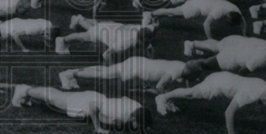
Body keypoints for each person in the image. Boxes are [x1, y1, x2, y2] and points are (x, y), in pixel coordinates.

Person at [155, 72, 266, 134]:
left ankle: (167, 100)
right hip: (218, 84)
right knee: (191, 94)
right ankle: (162, 97)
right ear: (264, 99)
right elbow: (229, 112)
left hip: (226, 77)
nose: (263, 108)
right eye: (265, 106)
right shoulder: (250, 94)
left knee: (191, 93)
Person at [10, 84, 149, 134]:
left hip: (96, 96)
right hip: (86, 103)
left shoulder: (136, 105)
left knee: (56, 95)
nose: (137, 127)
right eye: (138, 124)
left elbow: (123, 98)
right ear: (133, 118)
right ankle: (24, 90)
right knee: (53, 98)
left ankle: (29, 95)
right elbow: (93, 107)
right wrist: (98, 127)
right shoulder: (118, 113)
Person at [183, 37, 266, 93]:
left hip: (238, 42)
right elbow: (242, 72)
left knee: (215, 48)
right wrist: (235, 88)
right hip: (232, 56)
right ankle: (183, 70)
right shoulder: (260, 57)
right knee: (205, 65)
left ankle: (195, 46)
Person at [58, 56, 201, 92]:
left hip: (139, 64)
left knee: (105, 71)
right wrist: (166, 97)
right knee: (104, 74)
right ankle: (69, 74)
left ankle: (72, 73)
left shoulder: (181, 65)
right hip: (136, 68)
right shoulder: (177, 70)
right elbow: (160, 86)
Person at [54, 14, 157, 62]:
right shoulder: (124, 44)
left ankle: (79, 19)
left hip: (111, 27)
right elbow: (106, 54)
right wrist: (112, 67)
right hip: (103, 33)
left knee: (94, 27)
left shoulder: (141, 29)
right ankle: (62, 40)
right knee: (85, 36)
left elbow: (148, 21)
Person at [148, 0, 247, 40]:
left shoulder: (235, 10)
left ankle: (155, 15)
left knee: (174, 13)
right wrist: (210, 39)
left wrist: (244, 35)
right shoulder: (220, 11)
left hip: (202, 1)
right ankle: (151, 14)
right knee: (174, 13)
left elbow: (243, 21)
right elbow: (206, 24)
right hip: (196, 6)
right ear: (227, 17)